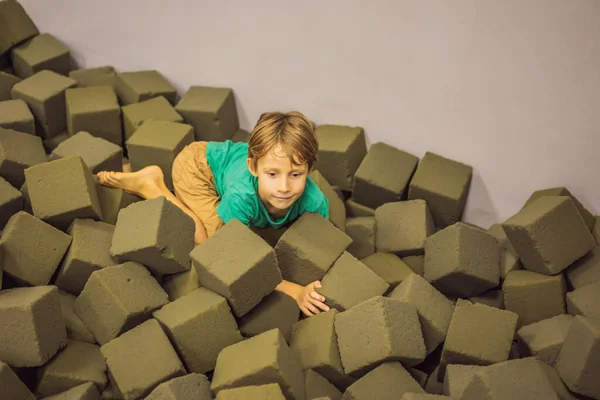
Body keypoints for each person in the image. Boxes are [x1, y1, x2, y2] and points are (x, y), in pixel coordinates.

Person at [97, 111, 330, 316]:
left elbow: (315, 248)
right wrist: (295, 291)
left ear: (309, 170)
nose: (283, 187)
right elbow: (235, 257)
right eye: (272, 174)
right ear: (254, 168)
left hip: (226, 166)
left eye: (295, 174)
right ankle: (151, 185)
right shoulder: (242, 196)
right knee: (206, 243)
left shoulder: (315, 203)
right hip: (197, 167)